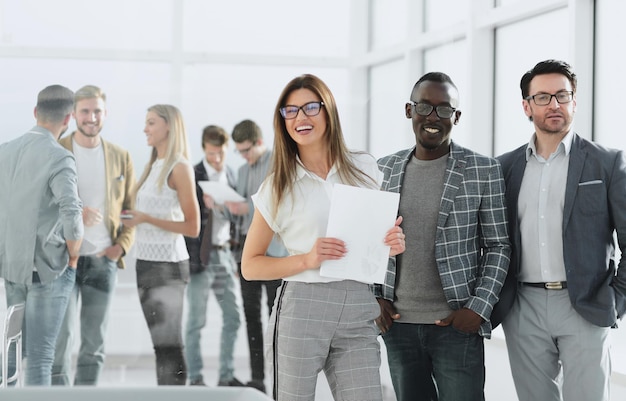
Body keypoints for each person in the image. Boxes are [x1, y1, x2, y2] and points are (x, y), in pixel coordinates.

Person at [240, 73, 405, 401]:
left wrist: (390, 244)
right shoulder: (277, 186)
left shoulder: (364, 166)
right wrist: (307, 259)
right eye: (290, 111)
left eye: (310, 107)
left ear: (328, 110)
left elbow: (369, 242)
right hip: (302, 307)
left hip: (359, 304)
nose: (300, 117)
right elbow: (250, 266)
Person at [490, 59, 626, 401]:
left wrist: (615, 301)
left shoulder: (607, 163)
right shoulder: (504, 167)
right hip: (523, 306)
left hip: (585, 304)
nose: (554, 105)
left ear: (574, 102)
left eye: (562, 96)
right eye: (543, 97)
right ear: (526, 106)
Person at [375, 72, 511, 401]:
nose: (433, 118)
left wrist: (478, 308)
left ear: (457, 117)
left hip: (456, 324)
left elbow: (498, 246)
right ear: (410, 111)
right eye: (424, 107)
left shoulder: (483, 170)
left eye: (444, 110)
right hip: (399, 325)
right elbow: (368, 243)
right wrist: (373, 298)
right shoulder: (382, 169)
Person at [50, 85, 136, 386]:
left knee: (94, 343)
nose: (91, 117)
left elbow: (130, 209)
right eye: (85, 111)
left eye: (97, 111)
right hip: (64, 261)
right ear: (74, 114)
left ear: (105, 114)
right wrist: (76, 214)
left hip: (103, 261)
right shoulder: (57, 150)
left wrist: (120, 247)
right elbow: (42, 206)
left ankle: (86, 395)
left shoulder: (120, 156)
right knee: (61, 341)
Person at [0, 85, 84, 386]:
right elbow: (72, 216)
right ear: (69, 119)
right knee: (40, 357)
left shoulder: (5, 150)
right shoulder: (60, 158)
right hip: (48, 270)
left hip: (12, 268)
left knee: (9, 353)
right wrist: (73, 257)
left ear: (36, 113)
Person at [122, 104, 200, 385]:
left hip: (168, 266)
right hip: (145, 264)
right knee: (160, 346)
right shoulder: (152, 166)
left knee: (169, 345)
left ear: (169, 126)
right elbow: (147, 214)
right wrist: (133, 218)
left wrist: (146, 218)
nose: (145, 128)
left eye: (151, 123)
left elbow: (193, 227)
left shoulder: (179, 167)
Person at [224, 119, 286, 393]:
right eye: (239, 151)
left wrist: (244, 209)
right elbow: (240, 215)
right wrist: (225, 206)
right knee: (251, 319)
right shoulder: (240, 170)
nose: (243, 156)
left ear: (259, 142)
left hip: (275, 256)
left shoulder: (279, 164)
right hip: (246, 256)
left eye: (246, 150)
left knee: (277, 322)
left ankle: (280, 380)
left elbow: (278, 207)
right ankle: (258, 379)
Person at [184, 125, 243, 387]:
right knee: (196, 320)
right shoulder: (192, 174)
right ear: (203, 150)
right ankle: (195, 377)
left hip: (225, 254)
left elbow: (237, 214)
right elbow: (185, 218)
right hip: (200, 257)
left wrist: (229, 208)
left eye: (220, 153)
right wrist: (203, 206)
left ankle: (225, 376)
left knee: (233, 317)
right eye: (211, 154)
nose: (216, 159)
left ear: (226, 149)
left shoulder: (230, 174)